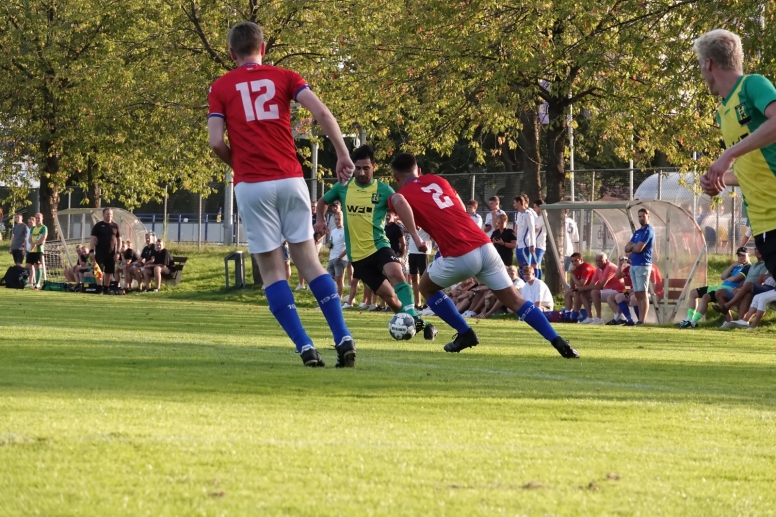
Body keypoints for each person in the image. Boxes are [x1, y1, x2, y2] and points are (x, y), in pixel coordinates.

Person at [208, 21, 356, 367]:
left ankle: (305, 345)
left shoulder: (221, 86)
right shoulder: (286, 76)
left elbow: (216, 140)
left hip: (251, 185)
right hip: (290, 179)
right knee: (311, 262)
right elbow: (320, 111)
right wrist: (342, 154)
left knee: (274, 271)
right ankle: (343, 335)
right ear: (264, 49)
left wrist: (239, 165)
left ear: (232, 53)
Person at [389, 152, 578, 358]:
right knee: (515, 301)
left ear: (395, 177)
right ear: (420, 170)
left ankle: (465, 333)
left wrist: (416, 236)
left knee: (426, 288)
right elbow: (459, 205)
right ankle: (557, 340)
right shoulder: (437, 180)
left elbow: (399, 201)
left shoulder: (401, 194)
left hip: (460, 252)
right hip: (484, 245)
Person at [316, 145, 437, 339]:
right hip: (357, 256)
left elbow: (401, 205)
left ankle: (415, 318)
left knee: (396, 274)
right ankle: (421, 322)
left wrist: (415, 235)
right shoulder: (343, 187)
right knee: (390, 298)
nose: (362, 172)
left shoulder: (382, 189)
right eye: (358, 168)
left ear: (374, 166)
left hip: (379, 245)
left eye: (366, 168)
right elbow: (322, 202)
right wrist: (321, 220)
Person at [695, 29, 776, 283]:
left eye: (700, 64)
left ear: (709, 64)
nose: (701, 71)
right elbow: (752, 166)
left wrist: (728, 154)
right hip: (763, 227)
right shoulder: (723, 112)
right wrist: (717, 178)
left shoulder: (753, 84)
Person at [679, 248, 750, 329]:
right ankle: (689, 319)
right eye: (739, 255)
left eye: (743, 255)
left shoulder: (748, 267)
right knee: (693, 292)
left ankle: (693, 322)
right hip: (719, 287)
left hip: (728, 289)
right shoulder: (736, 266)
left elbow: (735, 279)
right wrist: (733, 265)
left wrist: (729, 278)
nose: (741, 257)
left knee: (706, 296)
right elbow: (723, 276)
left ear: (748, 255)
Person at [714, 247, 774, 325]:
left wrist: (744, 288)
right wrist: (739, 287)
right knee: (720, 292)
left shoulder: (765, 264)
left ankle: (731, 311)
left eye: (760, 249)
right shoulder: (753, 265)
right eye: (756, 249)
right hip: (747, 287)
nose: (757, 251)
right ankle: (732, 320)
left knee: (746, 292)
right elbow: (746, 280)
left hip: (756, 288)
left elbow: (760, 281)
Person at [624, 208, 654, 324]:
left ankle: (642, 320)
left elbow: (638, 248)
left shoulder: (648, 231)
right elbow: (626, 248)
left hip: (643, 265)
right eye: (639, 216)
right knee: (637, 294)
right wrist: (632, 247)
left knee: (642, 293)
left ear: (648, 217)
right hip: (634, 265)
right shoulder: (637, 232)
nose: (641, 218)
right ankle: (639, 319)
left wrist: (633, 247)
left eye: (643, 216)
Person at [577, 253, 623, 325]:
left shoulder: (609, 267)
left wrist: (583, 288)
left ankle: (599, 318)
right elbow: (592, 284)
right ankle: (590, 317)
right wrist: (582, 289)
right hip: (610, 291)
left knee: (594, 292)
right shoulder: (598, 269)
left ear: (606, 260)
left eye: (600, 261)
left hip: (618, 290)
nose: (598, 263)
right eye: (596, 261)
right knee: (583, 295)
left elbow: (600, 286)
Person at [90, 207, 121, 289]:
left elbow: (119, 240)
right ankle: (99, 287)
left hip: (111, 253)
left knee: (109, 271)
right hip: (100, 252)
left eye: (110, 214)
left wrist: (118, 252)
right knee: (99, 270)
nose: (109, 216)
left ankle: (106, 287)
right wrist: (91, 251)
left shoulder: (115, 226)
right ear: (103, 215)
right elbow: (93, 239)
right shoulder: (98, 226)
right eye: (107, 214)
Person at [562, 253, 596, 323]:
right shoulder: (576, 269)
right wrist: (572, 274)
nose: (574, 263)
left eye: (576, 261)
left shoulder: (587, 268)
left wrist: (572, 274)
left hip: (593, 289)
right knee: (568, 292)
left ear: (581, 260)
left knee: (577, 293)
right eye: (572, 261)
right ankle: (568, 315)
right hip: (584, 289)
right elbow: (572, 286)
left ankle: (575, 316)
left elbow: (581, 284)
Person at [513, 195, 536, 278]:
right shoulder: (520, 214)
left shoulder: (528, 214)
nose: (513, 205)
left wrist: (532, 245)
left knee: (527, 267)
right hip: (519, 245)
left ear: (519, 202)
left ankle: (530, 283)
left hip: (525, 245)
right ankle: (522, 285)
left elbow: (531, 230)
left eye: (515, 203)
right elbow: (518, 228)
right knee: (520, 266)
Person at [326, 213, 348, 299]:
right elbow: (331, 243)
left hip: (340, 259)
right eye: (336, 219)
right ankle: (331, 298)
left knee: (339, 280)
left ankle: (339, 297)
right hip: (331, 257)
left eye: (339, 219)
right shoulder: (333, 231)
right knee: (329, 281)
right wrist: (328, 245)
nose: (337, 221)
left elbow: (348, 247)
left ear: (343, 220)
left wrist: (339, 257)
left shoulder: (345, 231)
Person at [26, 213, 47, 289]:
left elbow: (43, 237)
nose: (38, 219)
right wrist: (32, 243)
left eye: (39, 218)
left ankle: (37, 283)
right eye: (36, 218)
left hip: (39, 250)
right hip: (31, 250)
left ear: (42, 218)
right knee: (28, 265)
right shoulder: (32, 228)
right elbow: (29, 238)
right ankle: (29, 282)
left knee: (38, 266)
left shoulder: (44, 227)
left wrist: (36, 244)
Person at [532, 200, 547, 279]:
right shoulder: (538, 217)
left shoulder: (543, 217)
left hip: (538, 244)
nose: (534, 209)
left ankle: (536, 281)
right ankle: (539, 282)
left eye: (535, 207)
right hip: (537, 244)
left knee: (534, 265)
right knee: (537, 265)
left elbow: (535, 229)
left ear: (540, 207)